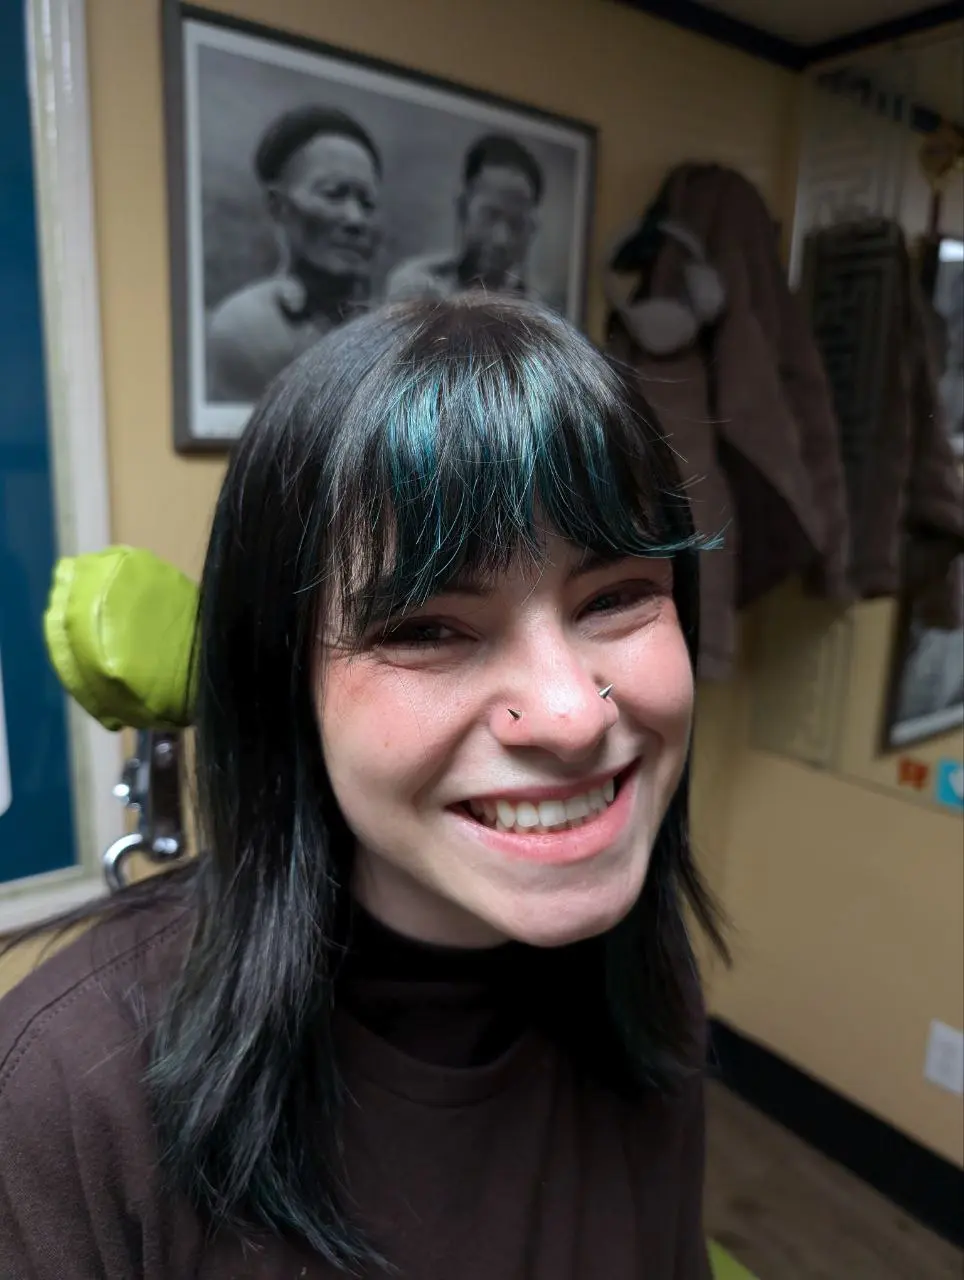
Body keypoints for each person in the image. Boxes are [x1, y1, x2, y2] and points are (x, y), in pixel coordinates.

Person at [0, 294, 724, 1279]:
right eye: (428, 629)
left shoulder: (646, 977)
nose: (571, 715)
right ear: (283, 685)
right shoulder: (65, 1098)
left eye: (616, 597)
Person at [206, 105, 382, 403]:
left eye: (367, 203)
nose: (355, 219)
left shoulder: (386, 328)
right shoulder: (246, 326)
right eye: (333, 194)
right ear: (278, 206)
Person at [385, 133, 542, 301]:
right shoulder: (416, 285)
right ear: (463, 208)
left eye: (516, 225)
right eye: (489, 216)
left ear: (531, 230)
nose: (501, 239)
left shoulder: (535, 311)